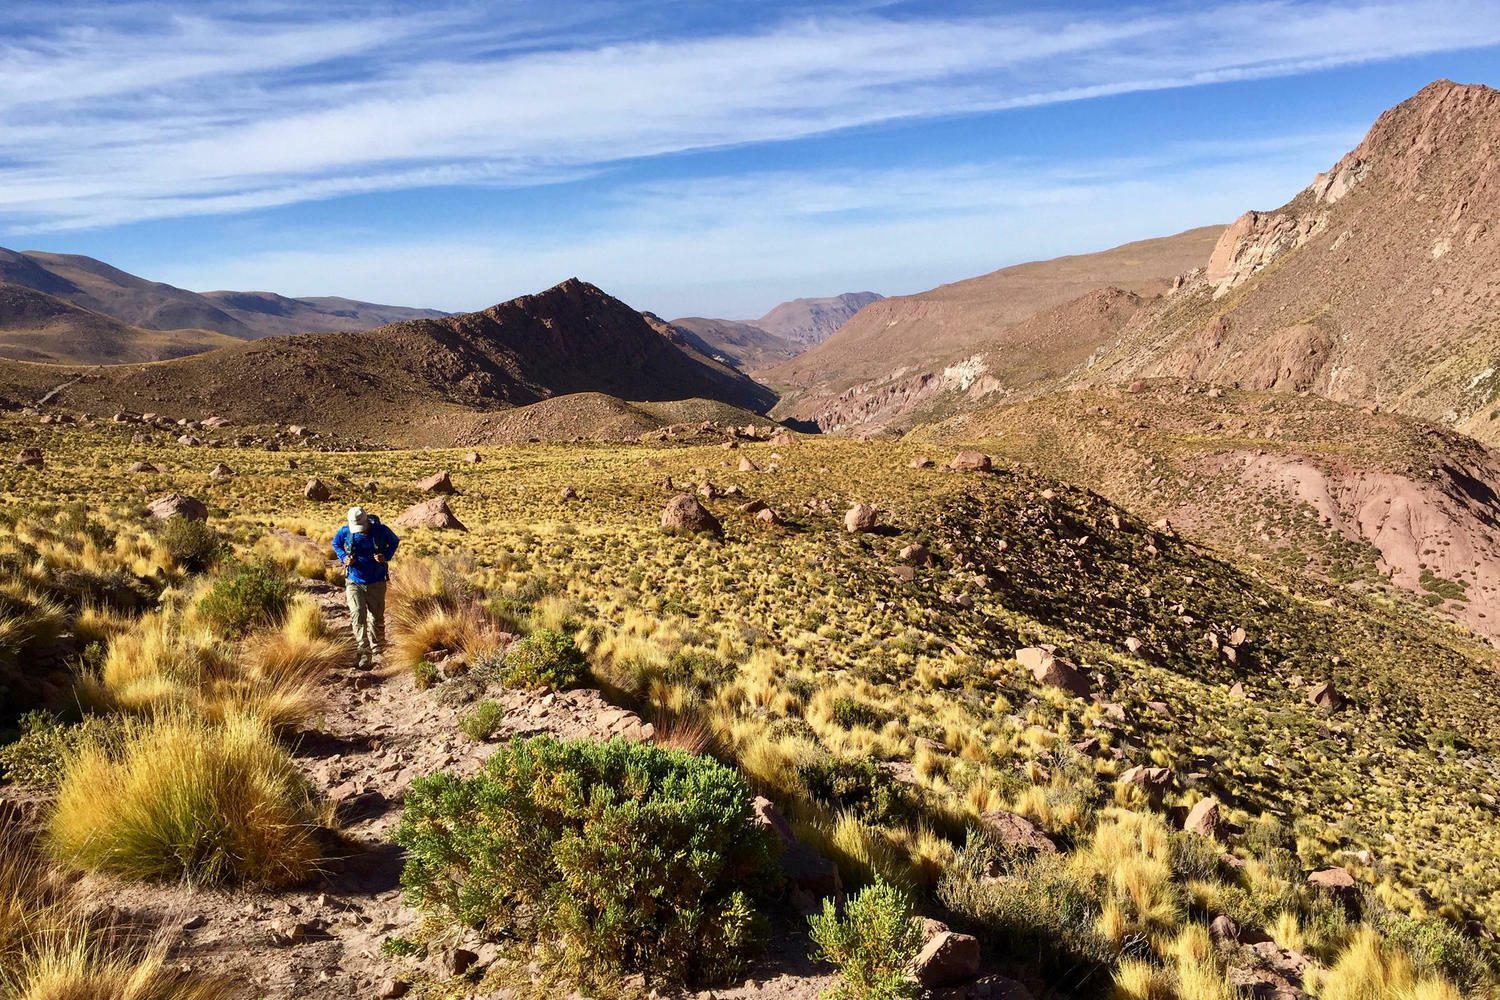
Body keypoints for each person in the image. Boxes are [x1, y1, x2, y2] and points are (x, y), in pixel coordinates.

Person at [331, 506, 400, 668]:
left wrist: (386, 557)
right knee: (357, 615)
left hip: (376, 581)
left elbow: (394, 541)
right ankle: (364, 652)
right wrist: (344, 558)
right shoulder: (345, 532)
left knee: (376, 617)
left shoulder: (381, 531)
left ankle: (378, 649)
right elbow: (336, 543)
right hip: (354, 581)